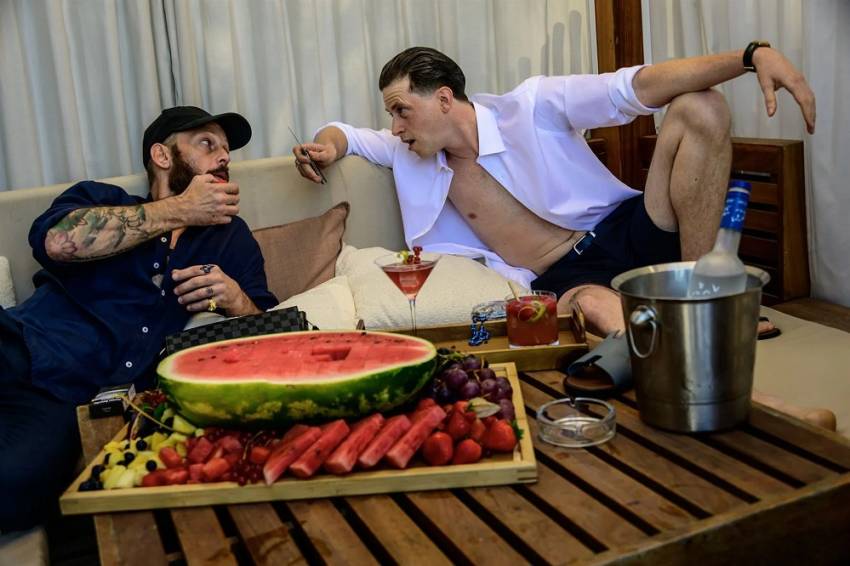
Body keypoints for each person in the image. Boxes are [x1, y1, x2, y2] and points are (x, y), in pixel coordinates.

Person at [293, 46, 833, 428]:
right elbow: (345, 135)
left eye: (401, 110)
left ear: (444, 99)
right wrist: (326, 147)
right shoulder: (408, 152)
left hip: (625, 228)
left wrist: (751, 55)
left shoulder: (532, 106)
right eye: (391, 115)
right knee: (597, 309)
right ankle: (772, 410)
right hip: (566, 277)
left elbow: (636, 86)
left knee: (700, 104)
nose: (394, 126)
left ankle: (701, 298)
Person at [0, 106, 278, 532]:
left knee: (13, 487)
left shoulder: (231, 239)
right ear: (162, 156)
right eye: (207, 144)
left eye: (226, 150)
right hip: (18, 342)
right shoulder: (101, 200)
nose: (224, 157)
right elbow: (57, 241)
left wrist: (237, 299)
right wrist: (181, 209)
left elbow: (271, 334)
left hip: (68, 400)